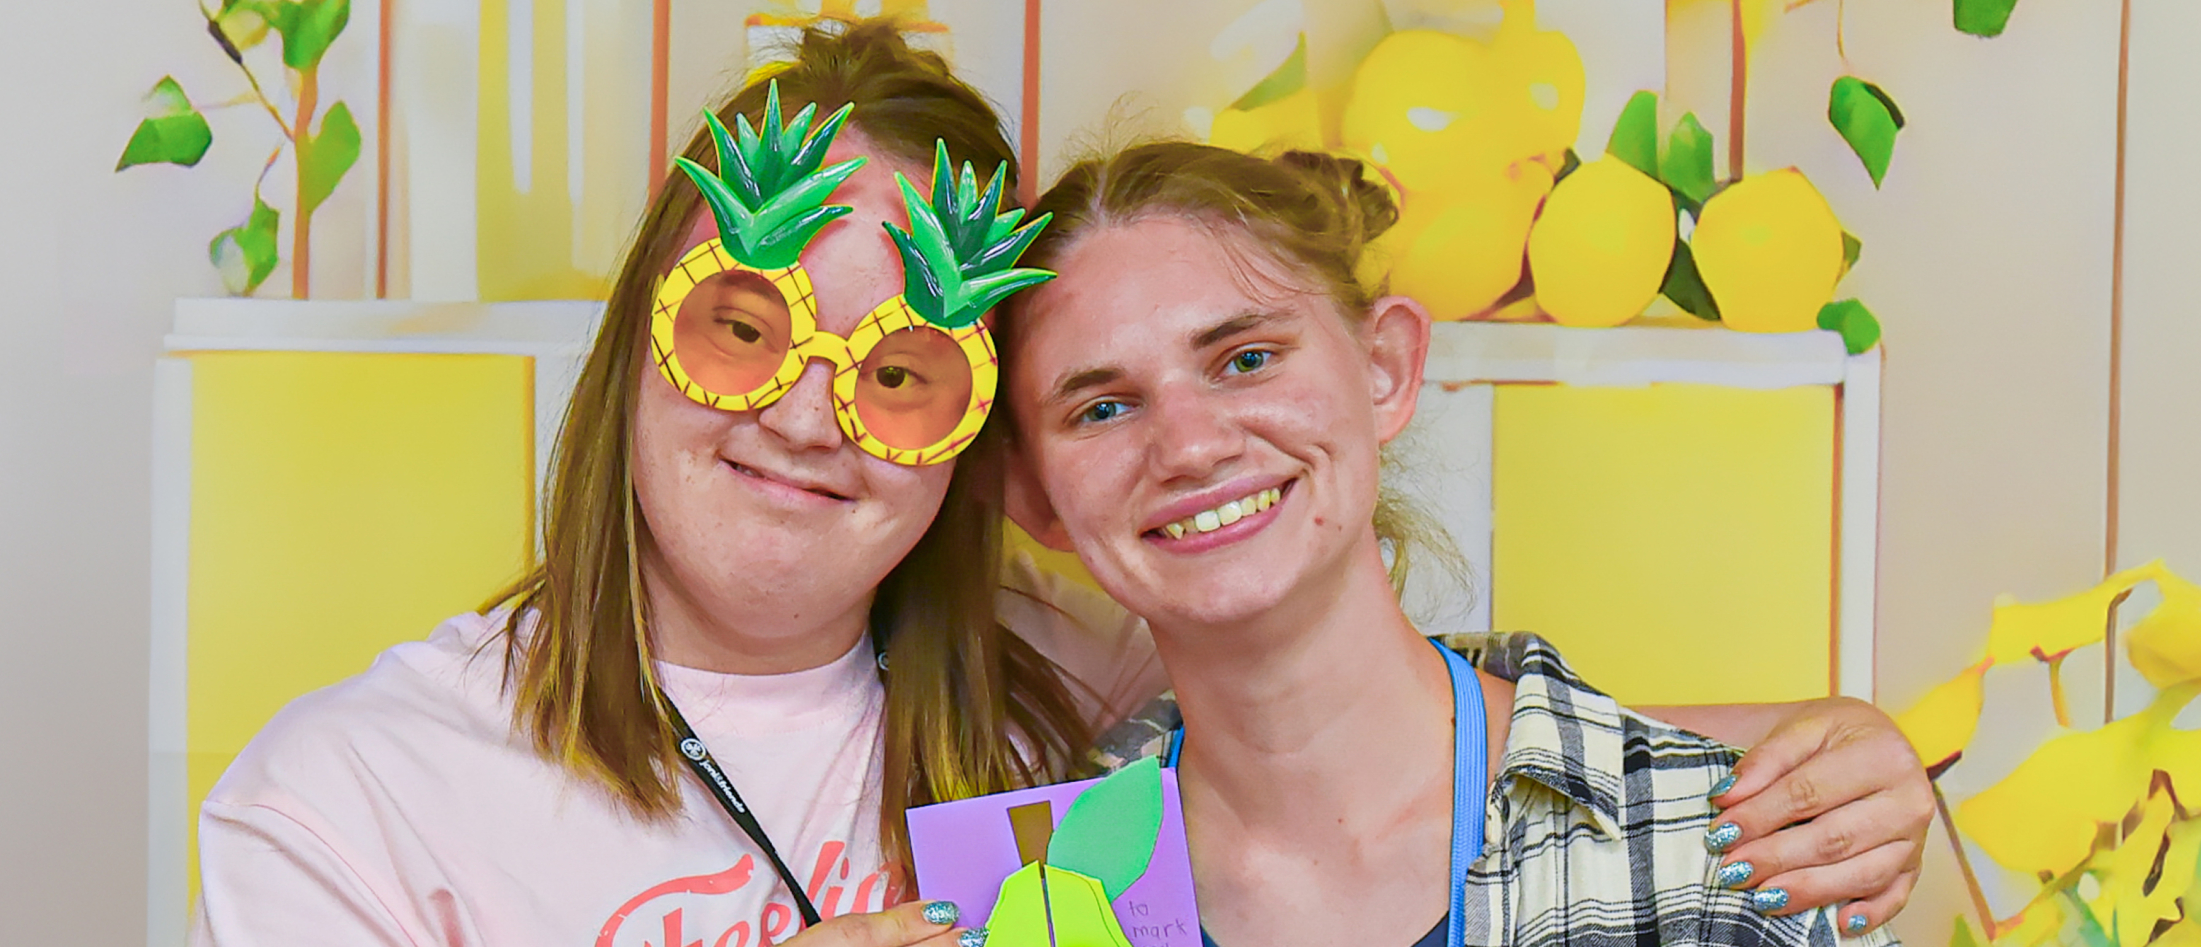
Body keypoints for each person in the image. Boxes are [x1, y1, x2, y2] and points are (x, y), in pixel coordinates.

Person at [191, 22, 1923, 947]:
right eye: (745, 326)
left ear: (979, 457)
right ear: (641, 338)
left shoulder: (1053, 730)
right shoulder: (348, 792)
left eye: (901, 372)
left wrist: (1823, 749)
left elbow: (1381, 758)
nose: (813, 414)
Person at [999, 141, 1925, 947]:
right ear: (1034, 492)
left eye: (1247, 358)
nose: (1192, 445)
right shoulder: (1012, 895)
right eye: (1104, 407)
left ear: (1386, 370)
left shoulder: (1734, 852)